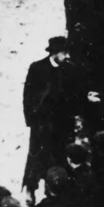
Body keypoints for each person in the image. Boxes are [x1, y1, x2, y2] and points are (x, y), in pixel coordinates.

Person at [21, 36, 81, 198]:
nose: (67, 56)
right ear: (54, 53)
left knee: (60, 156)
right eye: (64, 53)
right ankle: (31, 188)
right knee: (36, 158)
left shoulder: (70, 69)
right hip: (42, 124)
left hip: (63, 123)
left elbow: (75, 94)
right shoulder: (37, 68)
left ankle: (56, 190)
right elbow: (28, 96)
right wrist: (31, 120)